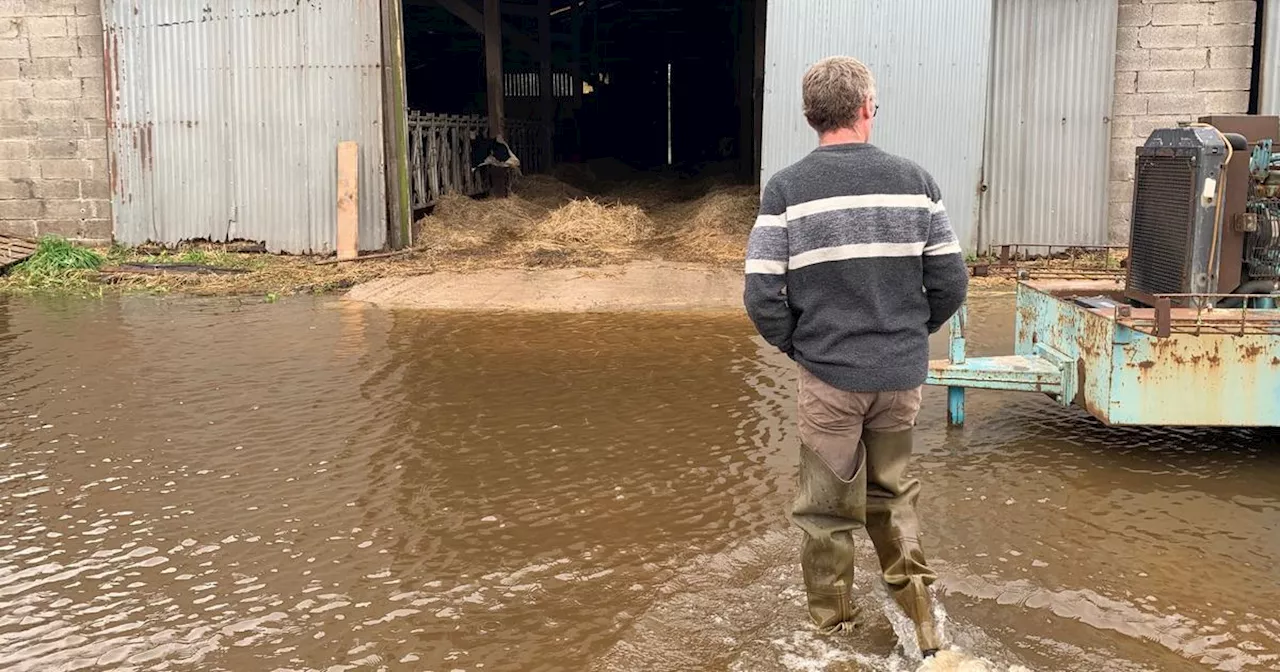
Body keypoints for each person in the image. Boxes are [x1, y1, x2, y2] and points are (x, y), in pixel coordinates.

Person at [742, 56, 967, 657]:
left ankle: (836, 641)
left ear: (810, 115)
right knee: (893, 500)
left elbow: (761, 292)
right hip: (899, 378)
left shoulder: (786, 188)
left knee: (826, 514)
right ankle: (926, 630)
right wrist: (909, 336)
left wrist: (802, 346)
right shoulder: (917, 182)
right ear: (867, 108)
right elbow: (950, 282)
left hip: (829, 380)